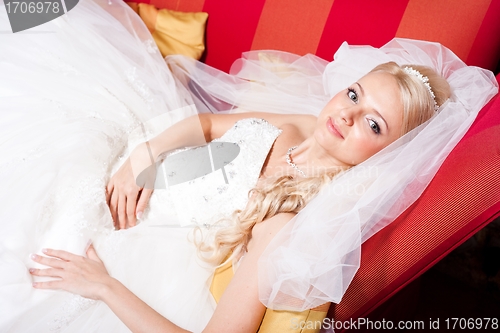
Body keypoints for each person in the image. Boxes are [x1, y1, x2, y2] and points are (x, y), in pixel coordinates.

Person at [0, 0, 497, 332]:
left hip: (138, 260)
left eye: (373, 125)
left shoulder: (288, 226)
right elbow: (209, 125)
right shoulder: (308, 126)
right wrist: (143, 158)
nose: (345, 115)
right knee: (59, 29)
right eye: (353, 93)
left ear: (390, 154)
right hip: (144, 176)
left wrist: (102, 284)